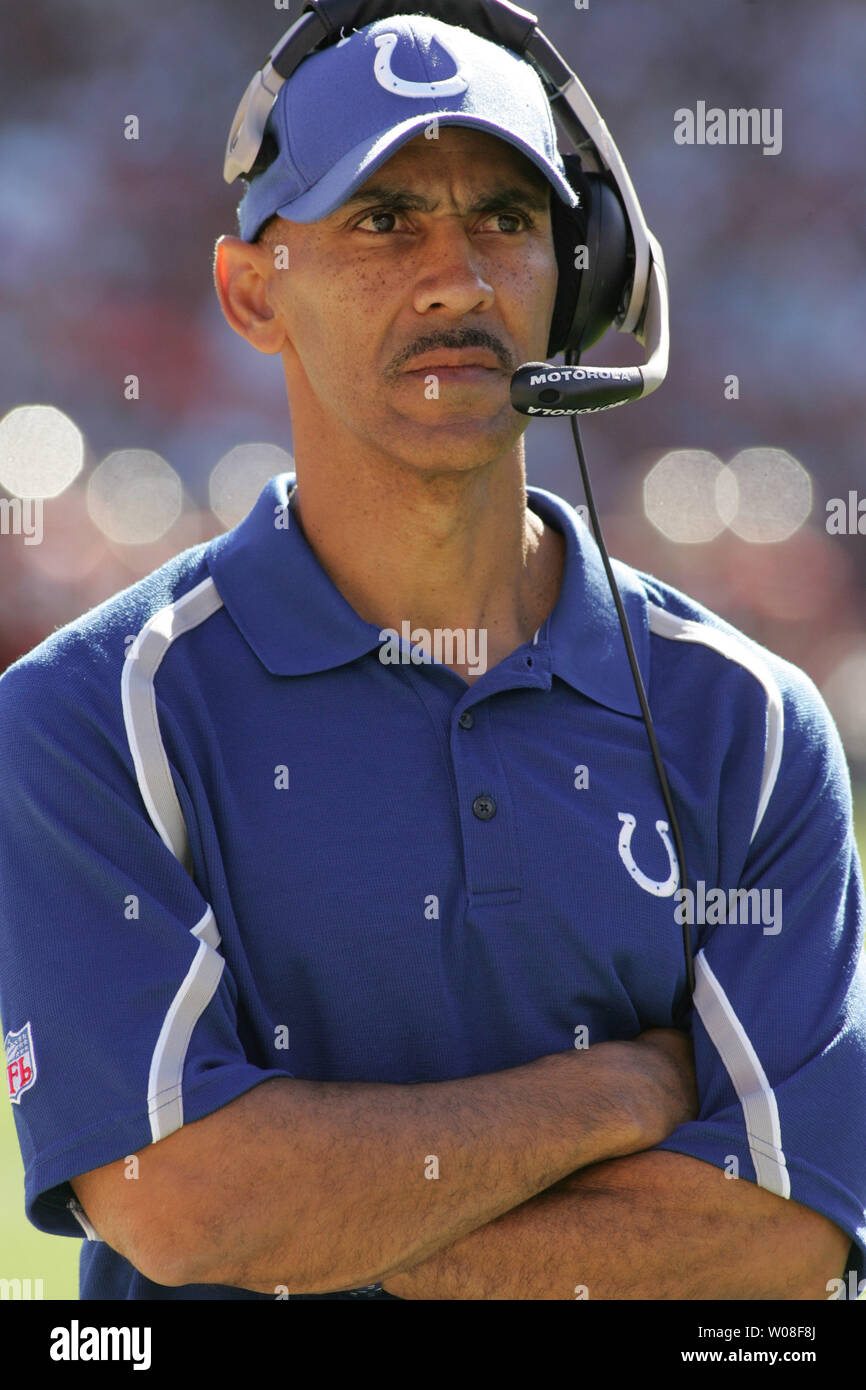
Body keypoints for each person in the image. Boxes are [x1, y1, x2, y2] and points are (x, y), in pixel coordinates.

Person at [1, 12, 864, 1302]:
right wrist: (618, 1088)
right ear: (250, 293)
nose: (458, 279)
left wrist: (333, 1223)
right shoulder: (83, 716)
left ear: (582, 278)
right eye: (385, 220)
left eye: (507, 221)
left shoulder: (749, 719)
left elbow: (784, 1238)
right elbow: (184, 1207)